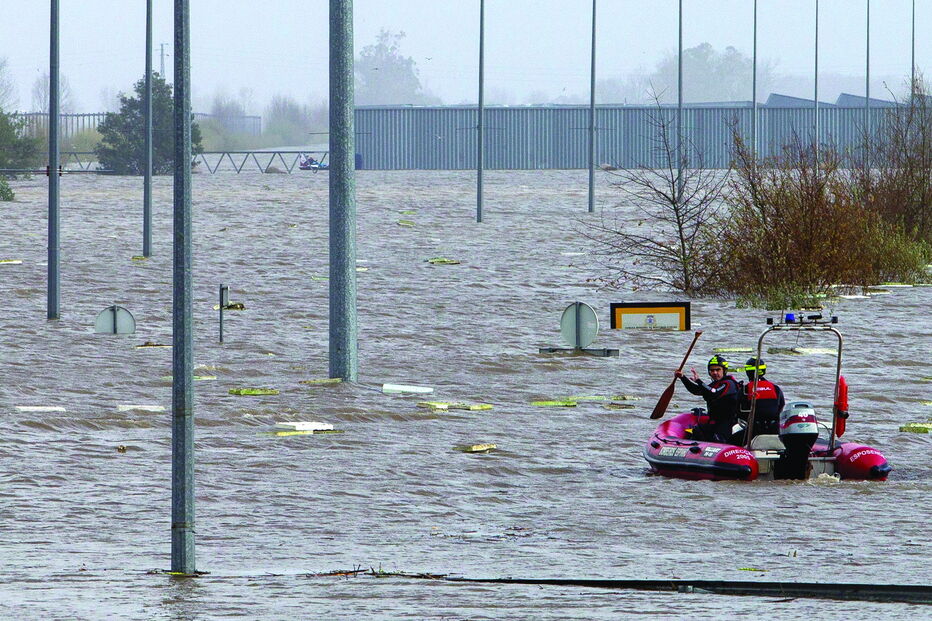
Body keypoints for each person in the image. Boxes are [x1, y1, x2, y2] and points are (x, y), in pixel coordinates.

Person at [674, 354, 742, 443]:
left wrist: (699, 381)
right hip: (715, 422)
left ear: (724, 370)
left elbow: (714, 393)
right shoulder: (714, 385)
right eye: (712, 370)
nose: (715, 373)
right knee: (697, 431)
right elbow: (697, 391)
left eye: (718, 370)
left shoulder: (729, 384)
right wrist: (682, 377)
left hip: (728, 423)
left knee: (718, 439)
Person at [740, 357, 786, 438]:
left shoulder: (745, 389)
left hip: (753, 431)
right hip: (774, 430)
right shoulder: (775, 388)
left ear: (748, 372)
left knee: (730, 440)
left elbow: (739, 410)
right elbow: (781, 407)